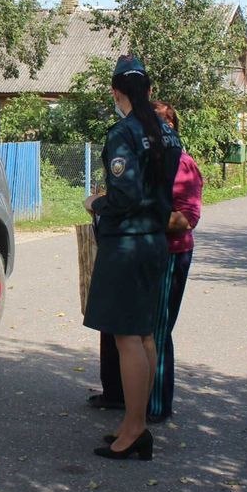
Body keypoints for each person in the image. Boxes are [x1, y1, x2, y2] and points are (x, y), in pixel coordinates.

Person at [82, 56, 182, 460]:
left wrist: (95, 202)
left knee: (127, 339)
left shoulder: (124, 133)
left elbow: (124, 196)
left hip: (127, 244)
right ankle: (133, 423)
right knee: (144, 336)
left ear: (115, 91)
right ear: (150, 90)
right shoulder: (167, 132)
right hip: (156, 241)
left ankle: (135, 429)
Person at [88, 101, 202, 422]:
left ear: (171, 131)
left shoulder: (183, 165)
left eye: (161, 126)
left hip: (168, 254)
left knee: (154, 331)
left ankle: (154, 407)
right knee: (118, 326)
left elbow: (185, 219)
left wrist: (133, 213)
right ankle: (117, 396)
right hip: (131, 250)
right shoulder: (138, 161)